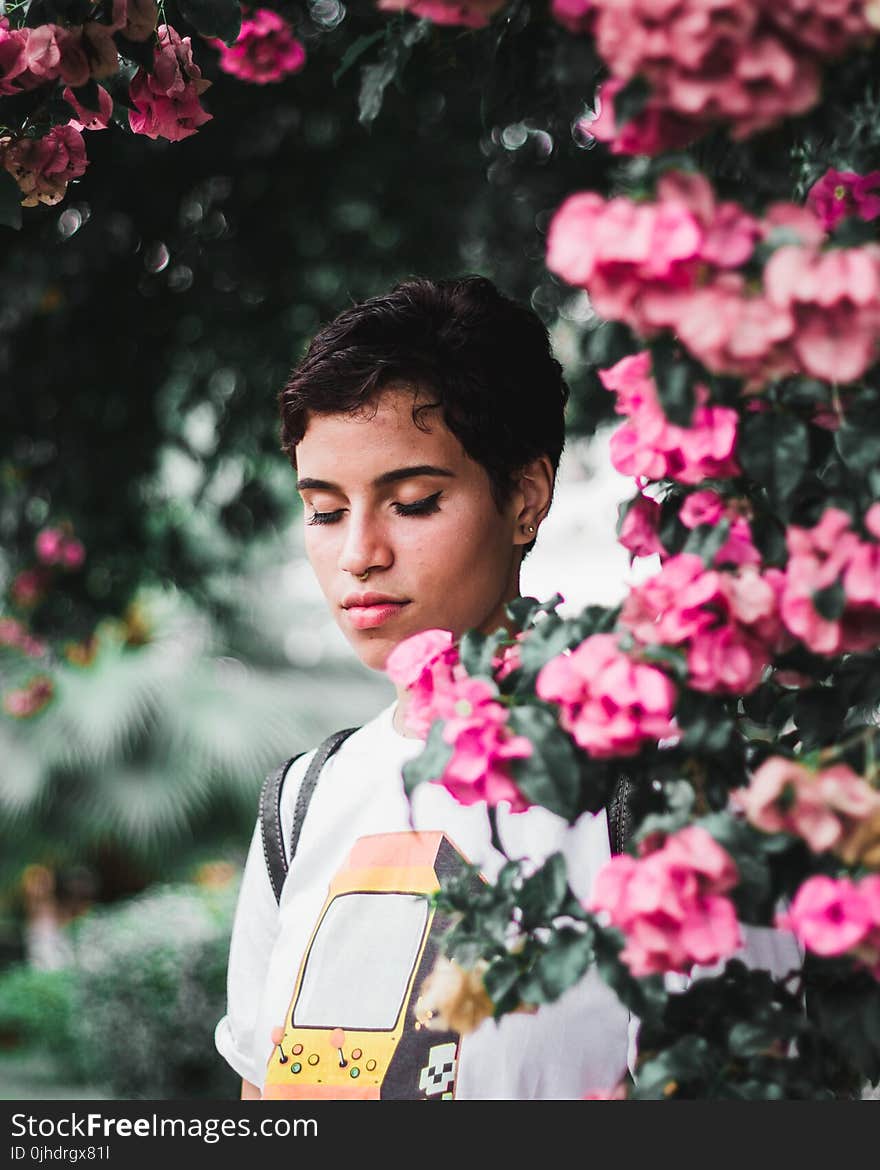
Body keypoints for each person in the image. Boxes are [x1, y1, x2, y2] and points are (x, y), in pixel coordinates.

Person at [214, 274, 797, 1101]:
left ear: (524, 500)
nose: (358, 554)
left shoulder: (660, 784)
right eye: (324, 510)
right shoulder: (302, 802)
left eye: (412, 502)